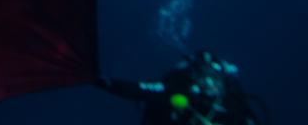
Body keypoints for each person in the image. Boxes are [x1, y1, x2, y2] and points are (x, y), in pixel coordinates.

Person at [95, 51, 267, 125]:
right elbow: (140, 90)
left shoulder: (233, 101)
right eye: (203, 77)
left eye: (215, 78)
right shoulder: (177, 88)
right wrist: (101, 81)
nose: (209, 84)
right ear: (194, 77)